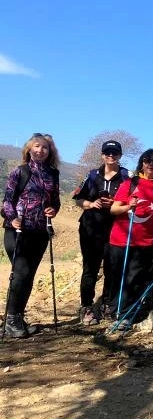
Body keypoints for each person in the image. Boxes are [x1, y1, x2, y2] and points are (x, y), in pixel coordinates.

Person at [107, 148, 153, 330]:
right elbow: (114, 209)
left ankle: (125, 315)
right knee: (116, 276)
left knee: (134, 277)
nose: (151, 164)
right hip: (121, 238)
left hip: (145, 241)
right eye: (147, 161)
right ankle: (114, 310)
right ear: (142, 163)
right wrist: (128, 206)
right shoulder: (130, 183)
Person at [2, 133, 61, 338]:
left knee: (28, 276)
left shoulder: (53, 174)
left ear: (49, 151)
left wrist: (53, 210)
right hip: (18, 231)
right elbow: (7, 201)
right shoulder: (20, 171)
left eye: (45, 148)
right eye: (37, 146)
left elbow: (55, 202)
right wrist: (12, 218)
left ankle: (17, 318)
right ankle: (10, 320)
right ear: (29, 149)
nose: (41, 150)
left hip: (40, 231)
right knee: (21, 273)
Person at [72, 139, 129, 325]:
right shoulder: (91, 175)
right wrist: (91, 204)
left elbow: (133, 201)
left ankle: (107, 304)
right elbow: (78, 199)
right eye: (107, 153)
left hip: (116, 228)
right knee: (90, 268)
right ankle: (87, 307)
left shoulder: (127, 177)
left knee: (112, 268)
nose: (111, 156)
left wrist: (117, 204)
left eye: (114, 153)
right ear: (102, 155)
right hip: (90, 228)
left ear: (120, 155)